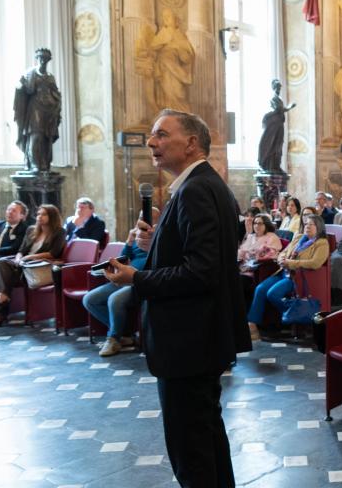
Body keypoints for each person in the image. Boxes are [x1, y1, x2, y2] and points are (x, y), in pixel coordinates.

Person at [103, 109, 243, 487]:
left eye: (162, 135)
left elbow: (201, 271)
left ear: (192, 143)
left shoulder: (196, 188)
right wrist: (156, 244)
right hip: (198, 338)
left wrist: (138, 278)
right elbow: (197, 255)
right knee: (206, 437)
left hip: (188, 340)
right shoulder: (204, 184)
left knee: (190, 449)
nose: (151, 142)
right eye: (152, 136)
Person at [247, 214, 329, 340]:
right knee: (260, 289)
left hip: (297, 276)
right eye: (306, 224)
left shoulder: (322, 243)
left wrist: (291, 263)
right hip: (283, 271)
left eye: (311, 224)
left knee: (272, 293)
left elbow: (315, 263)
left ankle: (293, 314)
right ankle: (252, 326)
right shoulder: (299, 237)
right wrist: (281, 259)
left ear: (319, 227)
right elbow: (284, 251)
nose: (307, 226)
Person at [83, 213, 155, 357]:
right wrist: (129, 242)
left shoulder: (158, 237)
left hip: (140, 281)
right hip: (123, 277)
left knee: (114, 299)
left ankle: (114, 339)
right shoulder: (135, 237)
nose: (145, 220)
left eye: (151, 218)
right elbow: (124, 257)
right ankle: (125, 334)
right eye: (142, 216)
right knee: (90, 299)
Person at [0, 204, 67, 328]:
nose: (39, 217)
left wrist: (29, 257)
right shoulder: (31, 230)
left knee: (5, 273)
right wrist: (18, 259)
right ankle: (0, 305)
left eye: (44, 214)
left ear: (52, 217)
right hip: (23, 265)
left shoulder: (59, 232)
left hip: (38, 267)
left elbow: (53, 253)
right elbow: (21, 250)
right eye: (38, 214)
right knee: (2, 262)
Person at [13, 48, 61, 172]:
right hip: (35, 109)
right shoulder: (31, 73)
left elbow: (55, 93)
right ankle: (34, 163)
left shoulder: (51, 77)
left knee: (46, 137)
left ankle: (44, 163)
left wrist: (56, 104)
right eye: (40, 58)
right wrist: (20, 86)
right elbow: (27, 90)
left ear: (48, 60)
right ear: (37, 59)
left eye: (45, 59)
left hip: (49, 111)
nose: (42, 61)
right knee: (35, 135)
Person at [237, 212, 283, 303]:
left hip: (256, 269)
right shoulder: (251, 236)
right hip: (242, 267)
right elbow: (241, 251)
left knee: (239, 282)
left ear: (266, 225)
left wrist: (252, 261)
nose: (257, 226)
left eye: (260, 223)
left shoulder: (272, 237)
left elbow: (271, 255)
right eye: (255, 223)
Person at [257, 79, 296, 173]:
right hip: (273, 125)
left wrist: (287, 108)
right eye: (277, 87)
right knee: (272, 145)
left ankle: (276, 166)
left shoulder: (279, 99)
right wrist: (289, 107)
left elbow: (280, 110)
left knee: (278, 145)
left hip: (279, 125)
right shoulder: (274, 98)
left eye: (280, 87)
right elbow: (279, 110)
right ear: (274, 88)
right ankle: (269, 166)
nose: (279, 89)